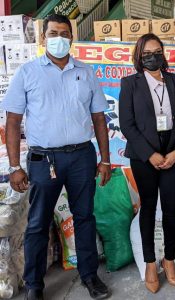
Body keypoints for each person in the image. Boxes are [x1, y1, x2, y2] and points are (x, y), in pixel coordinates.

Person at [1, 14, 112, 300]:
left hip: (81, 157)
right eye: (53, 33)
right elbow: (12, 121)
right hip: (43, 160)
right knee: (37, 223)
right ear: (43, 38)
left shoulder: (86, 72)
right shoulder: (27, 72)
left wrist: (105, 159)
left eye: (64, 33)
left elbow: (99, 118)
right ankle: (35, 286)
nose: (59, 38)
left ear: (71, 38)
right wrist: (15, 166)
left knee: (85, 217)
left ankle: (89, 276)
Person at [119, 33, 175, 294]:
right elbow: (127, 124)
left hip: (172, 155)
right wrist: (150, 154)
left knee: (170, 210)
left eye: (157, 51)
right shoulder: (130, 84)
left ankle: (169, 261)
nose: (153, 56)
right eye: (147, 53)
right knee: (148, 209)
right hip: (143, 157)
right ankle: (151, 263)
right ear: (139, 57)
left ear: (164, 54)